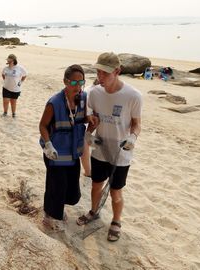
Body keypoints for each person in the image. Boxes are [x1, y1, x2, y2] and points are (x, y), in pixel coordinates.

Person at [76, 52, 142, 242]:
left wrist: (133, 137)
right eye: (98, 72)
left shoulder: (133, 96)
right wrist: (89, 134)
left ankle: (116, 221)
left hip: (121, 153)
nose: (100, 77)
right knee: (96, 186)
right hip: (100, 149)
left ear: (117, 71)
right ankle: (93, 212)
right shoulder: (95, 93)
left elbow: (137, 123)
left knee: (115, 191)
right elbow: (93, 118)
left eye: (105, 73)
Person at [39, 64, 93, 231]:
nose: (78, 86)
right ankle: (49, 217)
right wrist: (48, 145)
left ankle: (58, 211)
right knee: (55, 187)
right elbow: (42, 126)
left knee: (70, 189)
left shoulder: (83, 98)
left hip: (73, 153)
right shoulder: (54, 102)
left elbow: (79, 119)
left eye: (81, 82)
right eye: (74, 82)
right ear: (65, 81)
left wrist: (89, 120)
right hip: (55, 154)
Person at [1, 54, 27, 118]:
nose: (7, 60)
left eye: (8, 59)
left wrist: (21, 82)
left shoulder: (20, 68)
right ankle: (5, 113)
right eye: (7, 59)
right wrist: (6, 81)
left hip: (16, 89)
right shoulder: (5, 68)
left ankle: (13, 113)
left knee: (13, 102)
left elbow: (25, 75)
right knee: (5, 101)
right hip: (6, 88)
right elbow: (3, 74)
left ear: (13, 60)